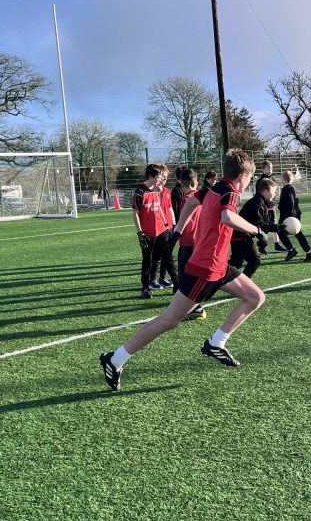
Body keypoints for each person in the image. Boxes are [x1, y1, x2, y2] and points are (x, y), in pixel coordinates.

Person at [99, 149, 268, 390]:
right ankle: (115, 359)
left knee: (255, 297)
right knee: (169, 320)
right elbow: (228, 217)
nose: (250, 182)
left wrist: (177, 231)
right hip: (205, 269)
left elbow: (190, 202)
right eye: (250, 177)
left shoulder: (214, 188)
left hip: (219, 266)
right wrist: (256, 230)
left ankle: (217, 343)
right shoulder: (230, 192)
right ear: (243, 176)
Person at [169, 167, 208, 322]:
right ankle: (191, 307)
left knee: (185, 277)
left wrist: (175, 236)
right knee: (191, 277)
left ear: (181, 183)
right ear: (196, 181)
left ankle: (196, 308)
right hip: (199, 242)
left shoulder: (188, 199)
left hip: (188, 243)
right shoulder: (201, 197)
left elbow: (186, 223)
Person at [131, 163, 174, 299]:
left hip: (161, 229)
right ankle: (145, 288)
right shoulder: (140, 192)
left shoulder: (157, 189)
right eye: (158, 177)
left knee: (167, 257)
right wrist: (140, 233)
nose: (160, 179)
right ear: (150, 176)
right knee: (147, 261)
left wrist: (166, 224)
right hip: (147, 233)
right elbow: (135, 213)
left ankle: (177, 284)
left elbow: (159, 208)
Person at [230, 177, 279, 277]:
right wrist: (275, 228)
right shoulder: (257, 204)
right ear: (266, 192)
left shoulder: (260, 202)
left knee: (236, 262)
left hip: (239, 235)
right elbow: (259, 224)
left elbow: (262, 223)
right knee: (254, 261)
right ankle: (241, 283)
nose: (275, 194)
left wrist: (278, 227)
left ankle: (222, 280)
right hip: (241, 236)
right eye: (274, 191)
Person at [277, 170, 311, 262]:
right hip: (295, 215)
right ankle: (309, 252)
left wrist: (280, 206)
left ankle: (292, 250)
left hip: (288, 216)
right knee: (298, 233)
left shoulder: (286, 189)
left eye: (281, 179)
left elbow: (290, 202)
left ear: (284, 179)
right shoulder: (291, 188)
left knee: (279, 230)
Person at [255, 160, 282, 253]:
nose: (270, 170)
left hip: (271, 206)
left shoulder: (272, 179)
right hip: (264, 207)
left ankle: (277, 245)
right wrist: (264, 206)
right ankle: (261, 247)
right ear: (263, 169)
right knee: (263, 226)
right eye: (268, 168)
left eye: (271, 168)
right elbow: (259, 195)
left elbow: (274, 193)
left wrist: (274, 203)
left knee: (274, 224)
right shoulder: (260, 181)